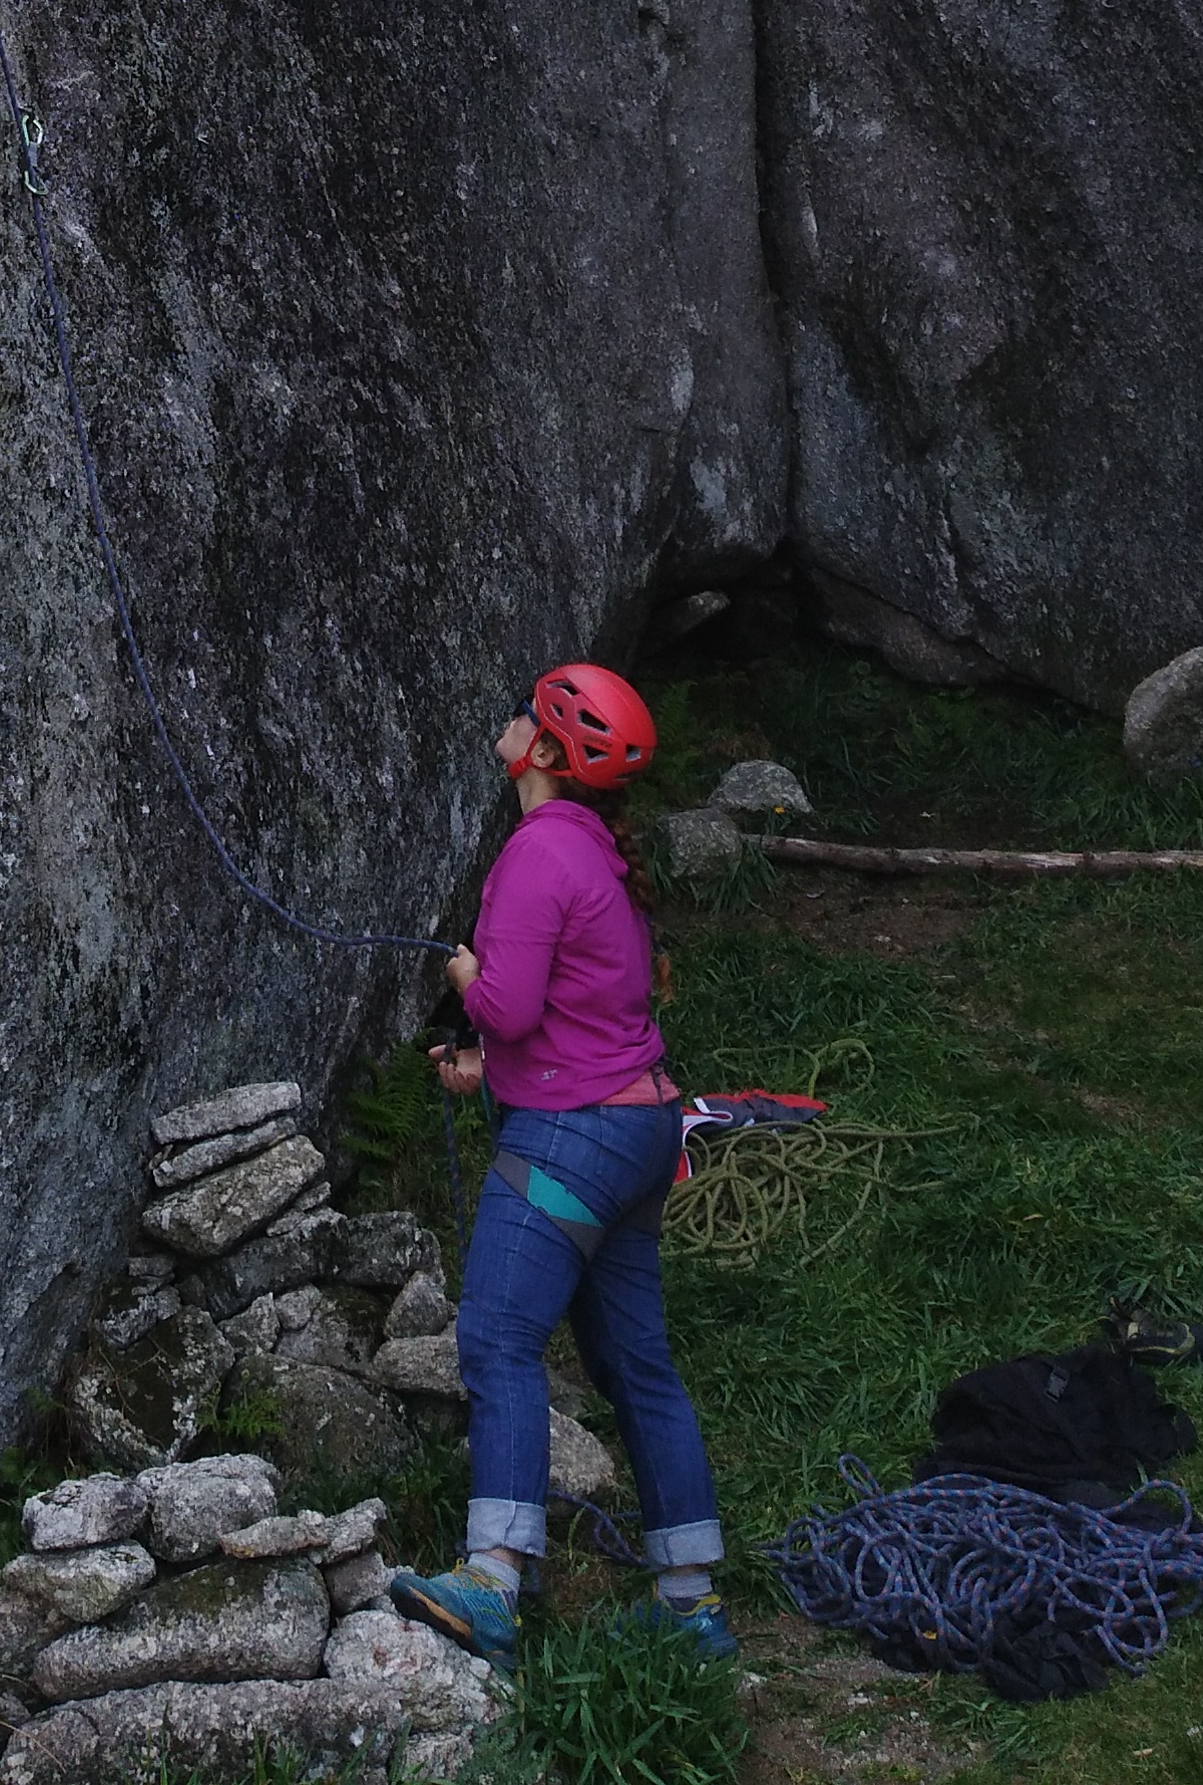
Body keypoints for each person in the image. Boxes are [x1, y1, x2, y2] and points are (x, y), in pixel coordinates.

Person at [390, 661, 735, 1671]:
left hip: (570, 1142)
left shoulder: (539, 852)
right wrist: (482, 1065)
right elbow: (578, 1013)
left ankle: (492, 1580)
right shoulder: (594, 853)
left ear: (541, 752)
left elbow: (509, 1005)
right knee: (635, 1364)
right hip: (637, 1130)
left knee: (497, 1336)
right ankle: (688, 1603)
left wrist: (465, 982)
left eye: (525, 713)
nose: (509, 720)